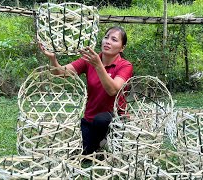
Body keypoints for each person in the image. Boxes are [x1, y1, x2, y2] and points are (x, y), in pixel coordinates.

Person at [39, 26, 133, 155]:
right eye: (106, 37)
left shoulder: (125, 65)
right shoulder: (90, 60)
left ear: (122, 48)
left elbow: (112, 90)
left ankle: (109, 137)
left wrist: (98, 65)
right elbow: (60, 73)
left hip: (114, 117)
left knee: (101, 120)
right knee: (82, 152)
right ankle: (99, 142)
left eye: (114, 39)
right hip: (90, 117)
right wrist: (52, 59)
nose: (108, 41)